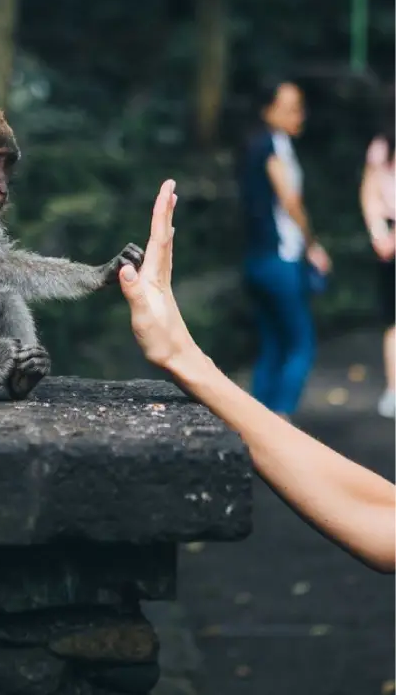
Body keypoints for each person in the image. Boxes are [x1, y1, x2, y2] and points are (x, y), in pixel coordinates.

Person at [118, 180, 395, 575]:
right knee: (292, 344)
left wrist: (186, 360)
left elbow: (382, 523)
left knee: (287, 345)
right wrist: (184, 358)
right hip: (277, 266)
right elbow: (383, 521)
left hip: (265, 266)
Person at [237, 80, 331, 420]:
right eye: (290, 108)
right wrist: (312, 246)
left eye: (299, 107)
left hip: (256, 259)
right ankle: (280, 420)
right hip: (280, 260)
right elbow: (289, 200)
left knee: (272, 345)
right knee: (301, 345)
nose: (299, 115)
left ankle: (255, 423)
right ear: (267, 110)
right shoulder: (270, 146)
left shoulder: (254, 145)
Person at [360, 92, 396, 419]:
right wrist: (381, 235)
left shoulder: (381, 147)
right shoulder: (382, 148)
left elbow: (369, 195)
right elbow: (370, 194)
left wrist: (383, 236)